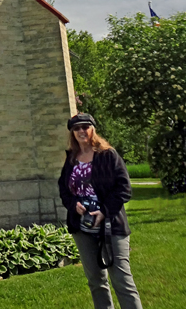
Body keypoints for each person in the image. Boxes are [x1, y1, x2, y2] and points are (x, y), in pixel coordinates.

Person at [58, 113, 143, 309]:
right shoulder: (71, 158)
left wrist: (104, 212)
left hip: (111, 224)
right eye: (76, 128)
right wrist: (73, 205)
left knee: (122, 279)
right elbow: (63, 189)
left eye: (85, 127)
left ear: (92, 129)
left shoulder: (108, 155)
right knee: (96, 281)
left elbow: (124, 188)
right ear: (72, 132)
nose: (81, 131)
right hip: (82, 227)